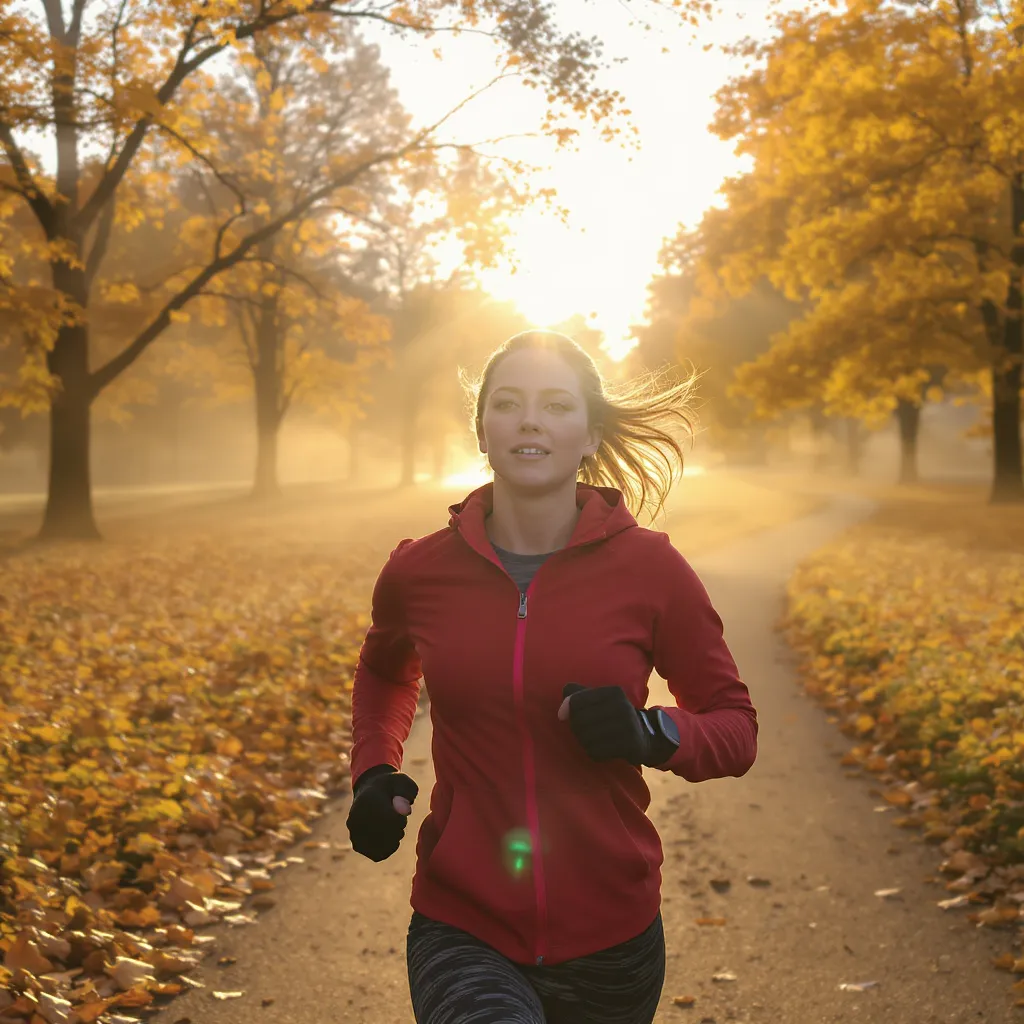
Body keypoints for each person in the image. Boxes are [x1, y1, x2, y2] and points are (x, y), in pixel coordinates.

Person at [346, 330, 758, 1024]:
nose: (530, 419)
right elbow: (385, 674)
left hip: (613, 940)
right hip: (463, 923)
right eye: (507, 403)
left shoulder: (653, 571)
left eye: (556, 405)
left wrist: (651, 732)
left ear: (590, 434)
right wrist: (372, 772)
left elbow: (734, 726)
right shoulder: (419, 573)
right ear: (481, 430)